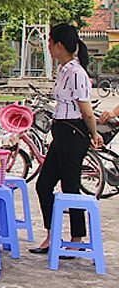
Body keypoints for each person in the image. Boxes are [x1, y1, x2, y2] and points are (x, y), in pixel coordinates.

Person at [30, 24, 104, 255]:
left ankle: (77, 237)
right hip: (60, 131)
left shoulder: (76, 73)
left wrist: (94, 133)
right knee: (44, 185)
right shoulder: (63, 70)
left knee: (70, 185)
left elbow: (86, 109)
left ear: (59, 45)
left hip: (74, 132)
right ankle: (52, 235)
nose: (49, 47)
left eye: (50, 43)